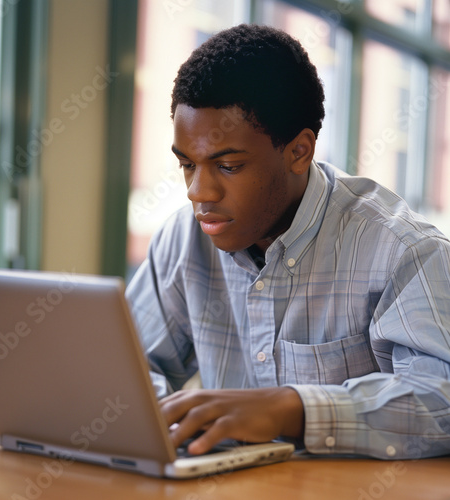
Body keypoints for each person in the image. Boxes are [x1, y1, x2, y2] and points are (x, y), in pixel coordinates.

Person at [126, 23, 450, 460]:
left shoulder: (401, 249)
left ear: (299, 152)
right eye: (187, 165)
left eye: (228, 166)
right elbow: (128, 368)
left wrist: (291, 410)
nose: (198, 192)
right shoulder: (185, 240)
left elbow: (440, 400)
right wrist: (159, 412)